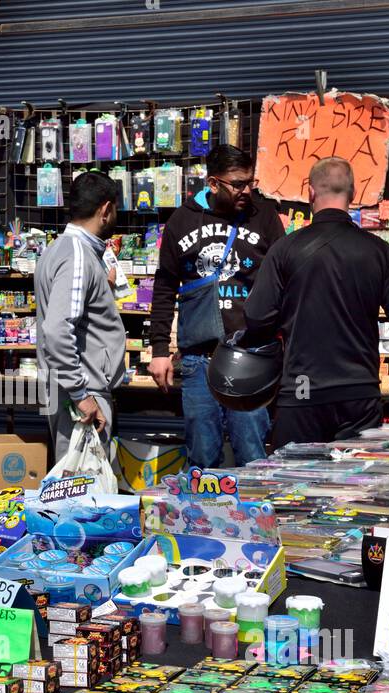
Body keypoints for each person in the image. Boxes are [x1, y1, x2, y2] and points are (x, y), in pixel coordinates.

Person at [244, 156, 389, 449]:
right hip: (359, 395)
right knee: (354, 491)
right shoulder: (380, 252)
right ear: (352, 195)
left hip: (302, 393)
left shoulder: (284, 249)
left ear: (311, 192)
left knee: (291, 487)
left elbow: (258, 316)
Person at [148, 144, 286, 467]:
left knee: (253, 457)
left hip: (251, 357)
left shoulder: (263, 217)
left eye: (250, 182)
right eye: (238, 184)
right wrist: (157, 351)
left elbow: (285, 281)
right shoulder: (182, 221)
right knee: (202, 460)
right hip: (199, 359)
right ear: (212, 183)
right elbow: (165, 287)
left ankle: (254, 517)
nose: (246, 191)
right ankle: (201, 518)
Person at [35, 170, 126, 459]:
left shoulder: (62, 250)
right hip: (83, 393)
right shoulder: (76, 255)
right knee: (84, 490)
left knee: (79, 486)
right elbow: (58, 329)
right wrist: (82, 395)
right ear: (106, 210)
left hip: (74, 389)